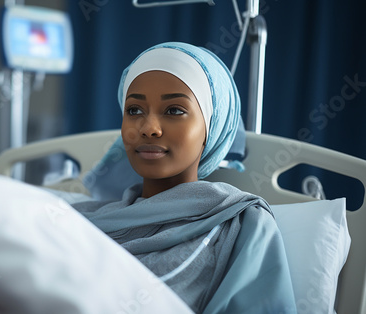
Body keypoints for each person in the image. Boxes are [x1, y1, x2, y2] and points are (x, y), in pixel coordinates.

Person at [72, 42, 297, 313]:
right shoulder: (78, 220)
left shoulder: (240, 221)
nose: (148, 128)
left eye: (174, 110)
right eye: (134, 110)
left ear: (210, 129)